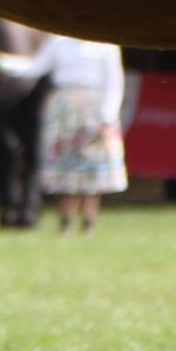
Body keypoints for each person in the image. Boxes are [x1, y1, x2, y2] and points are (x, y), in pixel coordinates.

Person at [35, 31, 127, 232]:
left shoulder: (106, 46)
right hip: (64, 109)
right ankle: (65, 221)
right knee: (65, 167)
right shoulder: (58, 42)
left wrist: (107, 118)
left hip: (94, 109)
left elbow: (114, 83)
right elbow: (35, 67)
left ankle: (89, 222)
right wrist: (1, 62)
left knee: (93, 167)